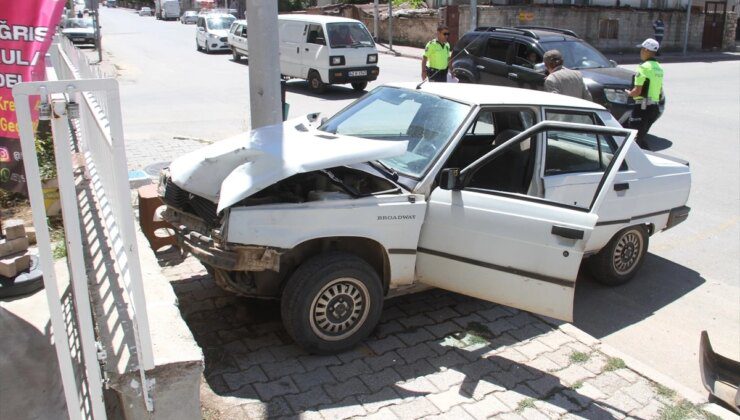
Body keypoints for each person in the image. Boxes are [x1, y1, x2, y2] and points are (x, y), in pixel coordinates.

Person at [627, 38, 664, 150]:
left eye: (642, 49)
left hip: (642, 107)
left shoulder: (643, 67)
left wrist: (629, 94)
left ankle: (640, 162)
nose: (641, 52)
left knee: (633, 139)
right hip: (654, 108)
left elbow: (637, 91)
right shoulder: (659, 67)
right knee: (641, 137)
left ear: (646, 50)